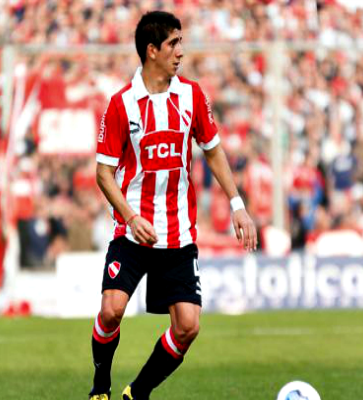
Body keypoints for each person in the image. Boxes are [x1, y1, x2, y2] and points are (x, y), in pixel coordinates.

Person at [89, 11, 257, 400]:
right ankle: (100, 387)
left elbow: (213, 151)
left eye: (181, 42)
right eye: (173, 43)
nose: (181, 51)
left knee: (188, 326)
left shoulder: (191, 96)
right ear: (152, 50)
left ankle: (137, 393)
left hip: (177, 231)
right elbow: (103, 174)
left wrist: (237, 204)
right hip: (133, 230)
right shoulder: (122, 104)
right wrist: (130, 217)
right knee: (111, 310)